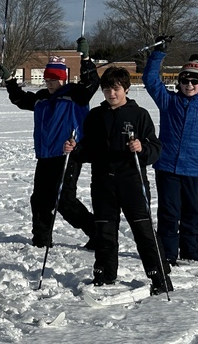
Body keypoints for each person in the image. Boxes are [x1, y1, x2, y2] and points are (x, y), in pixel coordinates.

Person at [68, 66, 171, 295]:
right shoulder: (95, 115)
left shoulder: (139, 114)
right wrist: (75, 150)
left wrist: (141, 147)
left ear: (125, 88)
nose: (111, 94)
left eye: (115, 89)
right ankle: (104, 273)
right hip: (103, 181)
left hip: (132, 180)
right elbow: (89, 149)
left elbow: (155, 149)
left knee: (143, 230)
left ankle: (159, 276)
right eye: (106, 89)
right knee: (105, 230)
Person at [0, 40, 99, 249]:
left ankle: (97, 232)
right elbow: (19, 99)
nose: (49, 82)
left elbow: (91, 83)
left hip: (68, 154)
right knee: (40, 199)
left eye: (54, 79)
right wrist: (9, 80)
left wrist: (86, 59)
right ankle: (41, 239)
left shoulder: (75, 95)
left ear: (63, 79)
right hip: (45, 155)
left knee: (64, 200)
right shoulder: (42, 99)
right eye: (47, 78)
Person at [142, 39, 198, 265]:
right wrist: (158, 53)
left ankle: (192, 252)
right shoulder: (169, 102)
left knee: (193, 213)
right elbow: (151, 80)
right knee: (169, 212)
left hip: (194, 169)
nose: (190, 85)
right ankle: (167, 252)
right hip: (168, 167)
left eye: (194, 81)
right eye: (185, 80)